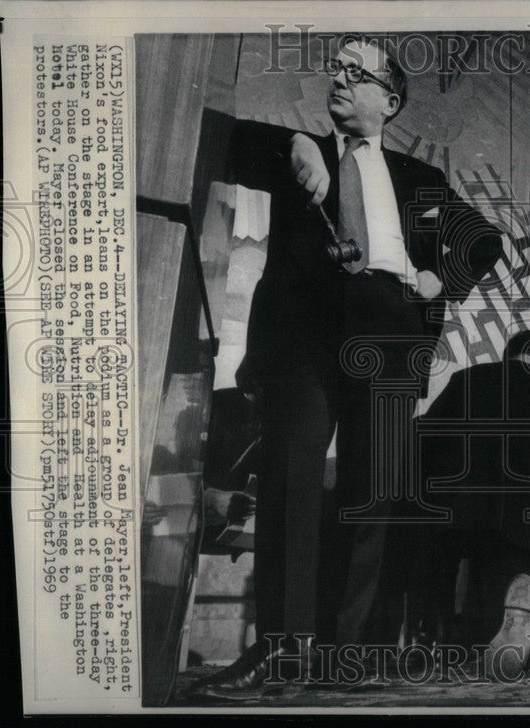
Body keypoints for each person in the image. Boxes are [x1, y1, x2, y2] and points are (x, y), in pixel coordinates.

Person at [195, 36, 502, 692]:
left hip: (391, 330)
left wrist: (435, 279)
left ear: (389, 101)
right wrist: (295, 145)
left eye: (357, 74)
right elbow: (221, 133)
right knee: (289, 482)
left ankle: (350, 655)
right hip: (306, 335)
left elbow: (484, 242)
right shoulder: (299, 155)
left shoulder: (422, 182)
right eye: (337, 68)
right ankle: (283, 650)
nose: (340, 79)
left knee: (374, 498)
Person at [406, 330, 530, 677]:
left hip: (463, 512)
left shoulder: (465, 379)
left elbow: (427, 439)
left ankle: (440, 638)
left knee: (446, 562)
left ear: (508, 355)